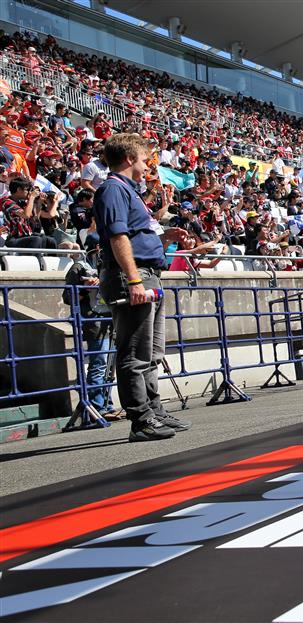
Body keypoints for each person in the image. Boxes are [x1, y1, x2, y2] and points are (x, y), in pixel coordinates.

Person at [93, 133, 189, 442]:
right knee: (135, 352)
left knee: (152, 352)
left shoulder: (129, 192)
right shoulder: (112, 189)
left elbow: (134, 236)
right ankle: (141, 419)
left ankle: (154, 410)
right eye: (144, 156)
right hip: (133, 277)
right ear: (129, 159)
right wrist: (133, 279)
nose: (149, 161)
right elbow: (117, 238)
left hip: (148, 273)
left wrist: (163, 239)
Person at [63, 234, 118, 419]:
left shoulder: (108, 265)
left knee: (110, 366)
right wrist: (84, 289)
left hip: (110, 318)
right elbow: (68, 297)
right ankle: (96, 406)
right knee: (99, 363)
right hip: (93, 321)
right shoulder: (78, 268)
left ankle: (107, 404)